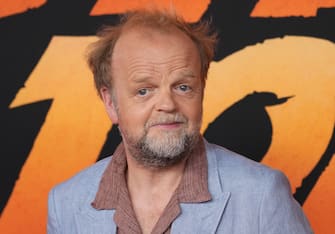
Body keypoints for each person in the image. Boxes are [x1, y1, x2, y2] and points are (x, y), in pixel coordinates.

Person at [47, 8, 313, 234]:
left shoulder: (262, 195)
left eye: (183, 87)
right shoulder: (65, 204)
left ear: (201, 92)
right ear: (110, 103)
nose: (167, 104)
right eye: (144, 90)